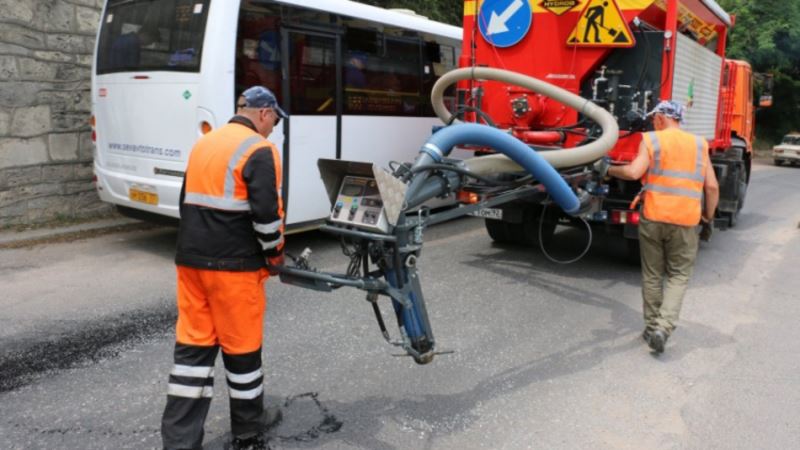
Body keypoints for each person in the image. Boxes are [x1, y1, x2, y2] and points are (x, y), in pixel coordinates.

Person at [161, 86, 288, 450]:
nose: (274, 128)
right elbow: (267, 218)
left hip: (191, 263)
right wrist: (275, 256)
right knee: (242, 350)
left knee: (192, 350)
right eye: (275, 120)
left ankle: (180, 441)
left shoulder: (205, 142)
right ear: (264, 114)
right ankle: (248, 430)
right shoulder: (260, 150)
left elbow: (187, 201)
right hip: (234, 268)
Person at [596, 100, 719, 353]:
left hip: (653, 216)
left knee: (653, 275)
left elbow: (633, 172)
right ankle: (663, 327)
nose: (653, 122)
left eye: (654, 118)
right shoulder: (699, 144)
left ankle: (652, 328)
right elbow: (712, 187)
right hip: (685, 220)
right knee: (678, 276)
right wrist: (707, 215)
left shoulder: (651, 140)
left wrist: (608, 169)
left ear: (662, 118)